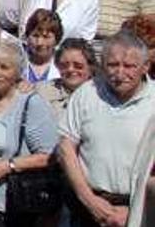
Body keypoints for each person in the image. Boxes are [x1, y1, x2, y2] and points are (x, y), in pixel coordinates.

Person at [59, 32, 155, 227]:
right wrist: (89, 201)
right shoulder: (87, 93)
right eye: (113, 65)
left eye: (129, 66)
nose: (119, 74)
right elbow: (66, 148)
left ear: (145, 67)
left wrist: (136, 208)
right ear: (102, 64)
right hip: (87, 207)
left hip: (141, 211)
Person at [0, 39, 60, 225]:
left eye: (4, 67)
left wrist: (9, 166)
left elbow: (51, 155)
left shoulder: (31, 103)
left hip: (7, 201)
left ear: (17, 72)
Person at [34, 39, 96, 117]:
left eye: (78, 66)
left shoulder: (102, 94)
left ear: (91, 67)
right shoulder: (41, 91)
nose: (70, 69)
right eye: (64, 65)